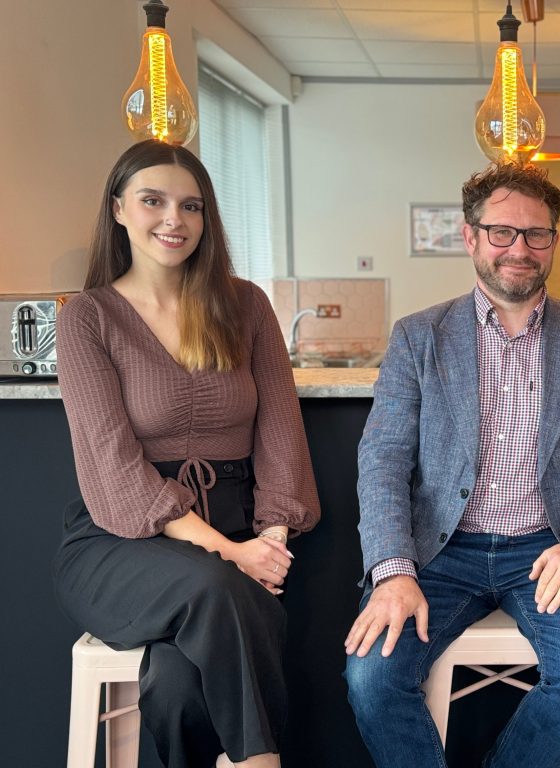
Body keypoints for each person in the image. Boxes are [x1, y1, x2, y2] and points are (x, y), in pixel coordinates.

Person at [344, 162, 560, 767]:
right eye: (502, 232)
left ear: (554, 241)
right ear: (470, 237)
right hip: (437, 554)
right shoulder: (418, 336)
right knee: (371, 681)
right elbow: (381, 461)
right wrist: (393, 569)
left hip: (550, 548)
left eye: (537, 234)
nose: (520, 248)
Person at [53, 140, 321, 768]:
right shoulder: (87, 318)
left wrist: (269, 544)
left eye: (191, 206)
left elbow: (282, 433)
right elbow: (114, 466)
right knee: (214, 585)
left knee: (177, 683)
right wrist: (232, 554)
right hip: (119, 545)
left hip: (240, 532)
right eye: (153, 201)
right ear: (119, 208)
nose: (175, 220)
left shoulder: (246, 305)